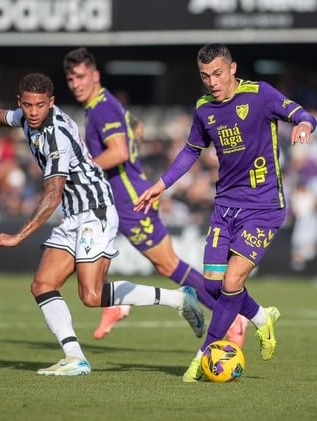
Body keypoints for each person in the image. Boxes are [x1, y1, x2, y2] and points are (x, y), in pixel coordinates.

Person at [0, 66, 205, 376]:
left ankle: (178, 299)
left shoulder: (57, 136)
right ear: (20, 102)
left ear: (51, 102)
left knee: (91, 296)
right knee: (43, 285)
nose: (32, 112)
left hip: (95, 211)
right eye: (27, 105)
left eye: (39, 105)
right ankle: (75, 358)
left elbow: (53, 195)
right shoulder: (27, 117)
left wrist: (19, 236)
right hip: (75, 215)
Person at [135, 44, 317, 381]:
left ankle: (205, 355)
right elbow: (191, 152)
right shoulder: (204, 109)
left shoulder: (260, 95)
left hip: (263, 207)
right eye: (205, 76)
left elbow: (305, 115)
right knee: (214, 285)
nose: (212, 82)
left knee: (233, 280)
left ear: (232, 68)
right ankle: (263, 317)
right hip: (225, 207)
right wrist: (162, 183)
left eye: (217, 74)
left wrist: (304, 126)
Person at [63, 47, 229, 341]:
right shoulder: (103, 105)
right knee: (89, 263)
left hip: (130, 200)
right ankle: (118, 304)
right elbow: (136, 128)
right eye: (71, 78)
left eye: (81, 77)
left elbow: (119, 151)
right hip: (116, 199)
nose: (76, 83)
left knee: (169, 264)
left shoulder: (102, 107)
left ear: (95, 76)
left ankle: (230, 316)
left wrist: (80, 171)